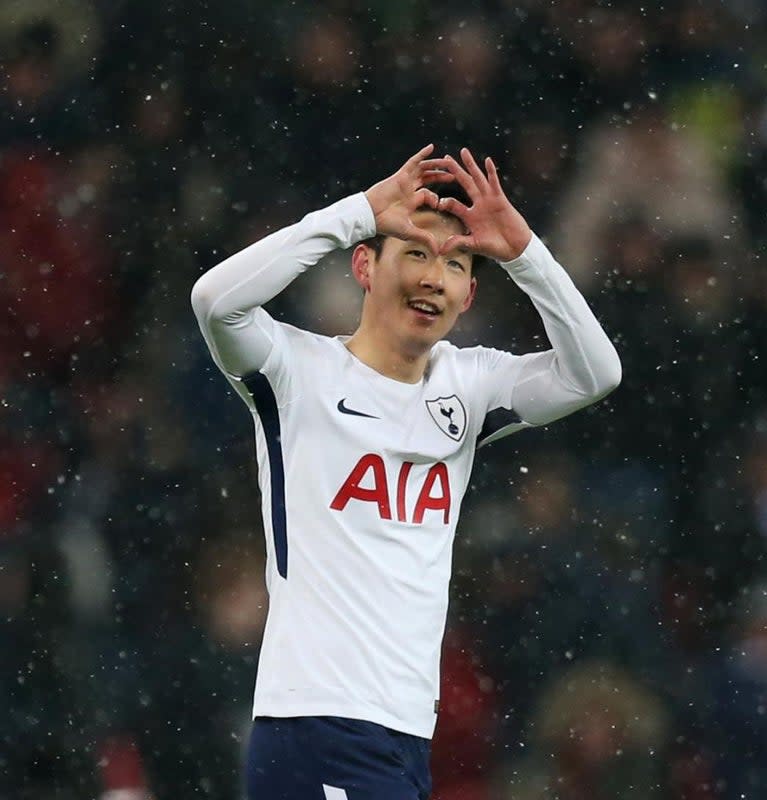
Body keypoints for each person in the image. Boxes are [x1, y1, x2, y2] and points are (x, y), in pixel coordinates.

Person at [190, 145, 621, 800]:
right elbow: (215, 300)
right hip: (318, 718)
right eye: (416, 253)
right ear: (365, 264)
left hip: (405, 732)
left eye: (454, 264)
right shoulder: (296, 372)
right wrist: (357, 212)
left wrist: (525, 254)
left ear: (470, 292)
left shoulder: (469, 385)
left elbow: (595, 372)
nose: (434, 278)